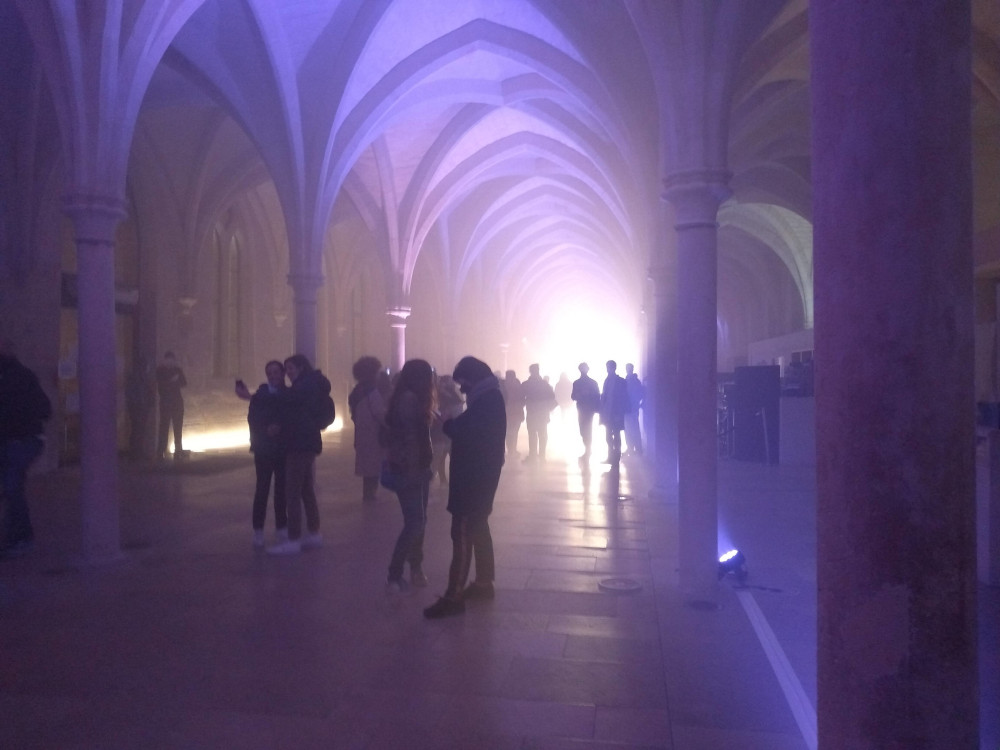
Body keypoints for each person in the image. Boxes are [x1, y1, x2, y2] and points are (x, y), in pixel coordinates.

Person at [424, 356, 506, 619]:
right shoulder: (488, 397)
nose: (462, 389)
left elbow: (469, 433)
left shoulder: (487, 401)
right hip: (481, 477)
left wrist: (446, 424)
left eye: (463, 384)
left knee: (461, 534)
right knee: (479, 528)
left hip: (474, 480)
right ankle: (483, 583)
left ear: (473, 379)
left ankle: (454, 595)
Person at [266, 354, 331, 555]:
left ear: (301, 368)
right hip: (307, 442)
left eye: (291, 368)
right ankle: (314, 533)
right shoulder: (312, 384)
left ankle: (293, 539)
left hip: (298, 443)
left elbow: (291, 408)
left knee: (292, 492)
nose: (288, 373)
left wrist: (273, 390)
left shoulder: (304, 386)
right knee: (305, 489)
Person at [382, 358, 435, 591]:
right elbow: (411, 439)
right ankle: (395, 573)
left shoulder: (409, 398)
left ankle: (415, 568)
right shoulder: (409, 400)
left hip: (417, 468)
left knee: (419, 521)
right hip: (410, 469)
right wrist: (416, 470)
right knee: (415, 522)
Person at [0, 345, 52, 558]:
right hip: (19, 440)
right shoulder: (19, 376)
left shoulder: (19, 378)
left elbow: (44, 409)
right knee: (12, 485)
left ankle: (21, 536)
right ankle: (18, 534)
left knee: (12, 485)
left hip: (22, 440)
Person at [236, 361, 288, 547]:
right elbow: (253, 419)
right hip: (265, 449)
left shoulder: (285, 394)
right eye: (269, 373)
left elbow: (290, 416)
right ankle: (258, 530)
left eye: (276, 372)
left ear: (282, 374)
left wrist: (280, 427)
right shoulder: (260, 395)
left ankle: (282, 527)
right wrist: (266, 430)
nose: (273, 376)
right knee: (262, 489)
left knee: (281, 490)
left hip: (282, 449)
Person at [348, 356, 386, 502]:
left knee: (366, 468)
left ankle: (367, 494)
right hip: (373, 435)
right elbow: (379, 414)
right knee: (373, 467)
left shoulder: (356, 392)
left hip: (361, 434)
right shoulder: (372, 392)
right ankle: (370, 495)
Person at [430, 374, 463, 484]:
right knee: (442, 456)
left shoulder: (448, 393)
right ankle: (443, 479)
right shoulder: (439, 394)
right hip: (444, 430)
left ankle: (443, 479)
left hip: (445, 430)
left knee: (443, 456)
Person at [155, 351, 188, 460]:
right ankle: (161, 451)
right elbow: (161, 384)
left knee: (178, 427)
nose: (170, 362)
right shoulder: (160, 370)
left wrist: (175, 380)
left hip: (177, 402)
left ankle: (178, 450)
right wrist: (172, 381)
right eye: (168, 360)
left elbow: (184, 383)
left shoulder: (177, 370)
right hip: (165, 402)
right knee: (164, 427)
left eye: (172, 360)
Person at [521, 363, 555, 462]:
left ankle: (532, 456)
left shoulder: (526, 384)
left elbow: (521, 398)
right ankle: (542, 456)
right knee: (543, 434)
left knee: (532, 434)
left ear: (530, 371)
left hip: (531, 412)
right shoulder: (544, 384)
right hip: (542, 412)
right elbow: (552, 396)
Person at [125, 356, 154, 461]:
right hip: (139, 407)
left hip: (139, 407)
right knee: (138, 431)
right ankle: (136, 453)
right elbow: (139, 393)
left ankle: (137, 453)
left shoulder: (136, 377)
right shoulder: (139, 377)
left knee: (138, 431)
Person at [600, 360, 629, 466]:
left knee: (615, 435)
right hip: (609, 412)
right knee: (610, 436)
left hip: (615, 412)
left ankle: (615, 457)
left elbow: (623, 398)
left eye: (608, 367)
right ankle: (613, 456)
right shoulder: (608, 380)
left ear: (613, 368)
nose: (607, 369)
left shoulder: (618, 381)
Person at [570, 362, 601, 460]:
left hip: (585, 409)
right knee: (584, 430)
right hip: (585, 409)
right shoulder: (590, 382)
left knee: (585, 429)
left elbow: (597, 396)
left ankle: (588, 450)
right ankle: (587, 449)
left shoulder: (578, 383)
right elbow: (573, 396)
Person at [500, 370, 524, 458]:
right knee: (512, 431)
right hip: (515, 412)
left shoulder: (503, 386)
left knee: (510, 431)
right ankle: (512, 449)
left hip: (508, 412)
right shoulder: (518, 385)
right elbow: (522, 399)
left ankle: (511, 449)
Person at [624, 363, 645, 456]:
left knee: (631, 429)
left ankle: (633, 448)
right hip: (631, 408)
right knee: (632, 429)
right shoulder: (635, 381)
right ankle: (635, 448)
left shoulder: (630, 381)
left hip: (629, 409)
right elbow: (641, 394)